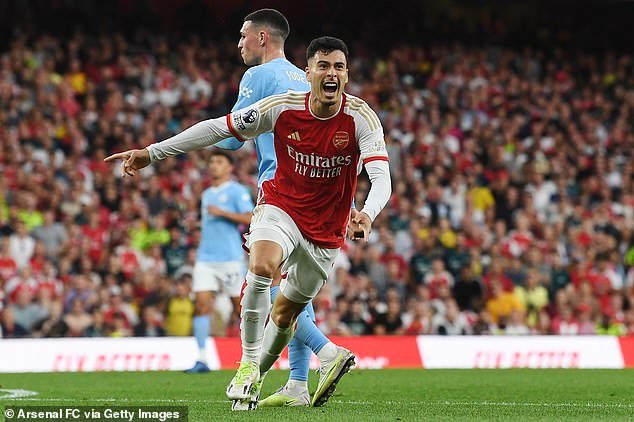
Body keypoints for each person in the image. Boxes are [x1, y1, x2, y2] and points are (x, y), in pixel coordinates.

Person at [104, 36, 392, 410]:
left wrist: (367, 214)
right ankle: (247, 366)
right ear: (308, 74)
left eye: (338, 67)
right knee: (261, 266)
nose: (331, 73)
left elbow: (381, 177)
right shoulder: (282, 107)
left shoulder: (361, 118)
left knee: (286, 314)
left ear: (347, 75)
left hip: (326, 230)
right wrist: (152, 152)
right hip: (281, 207)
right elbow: (217, 129)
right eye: (323, 66)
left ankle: (263, 378)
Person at [213, 8, 351, 407]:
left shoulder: (258, 76)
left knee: (265, 284)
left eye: (243, 35)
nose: (239, 43)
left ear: (261, 38)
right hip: (320, 194)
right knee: (294, 295)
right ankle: (296, 383)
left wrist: (215, 130)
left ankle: (327, 353)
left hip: (283, 193)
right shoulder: (302, 77)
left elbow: (230, 140)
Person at [185, 150, 253, 373]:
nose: (213, 165)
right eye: (212, 162)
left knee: (239, 308)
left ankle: (250, 357)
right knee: (202, 305)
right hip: (206, 257)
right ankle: (202, 358)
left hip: (231, 259)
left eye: (219, 162)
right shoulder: (206, 194)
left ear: (229, 167)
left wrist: (222, 213)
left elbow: (250, 217)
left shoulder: (237, 191)